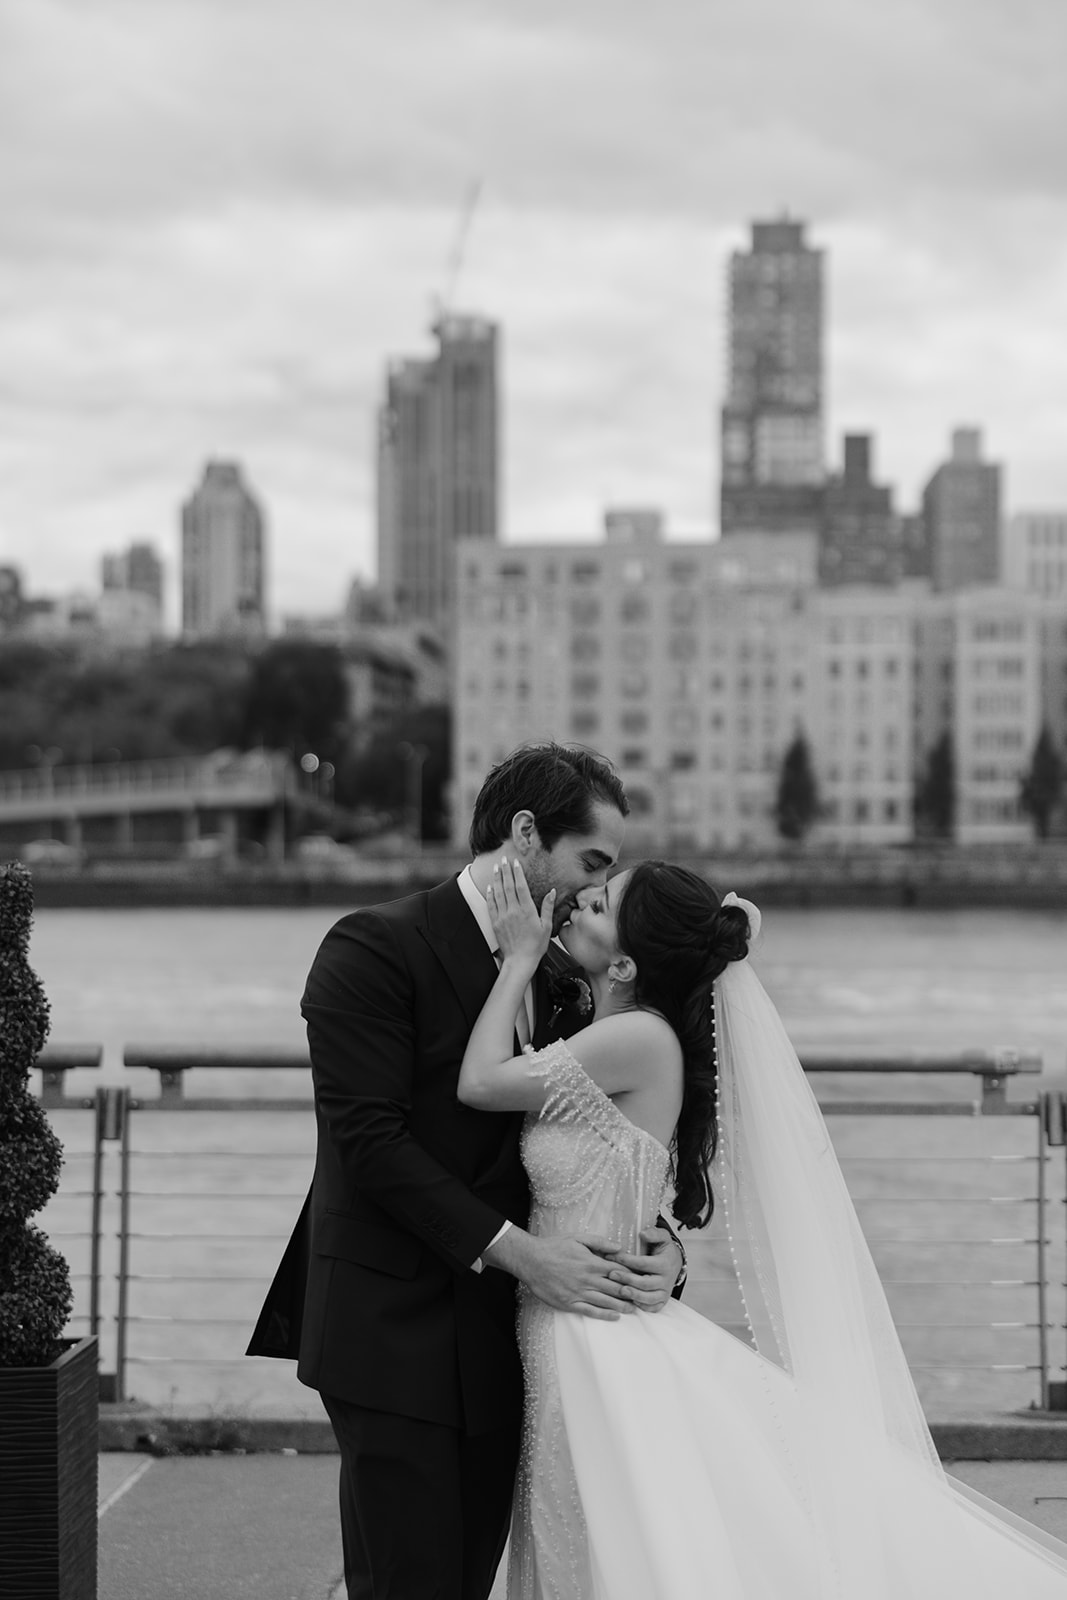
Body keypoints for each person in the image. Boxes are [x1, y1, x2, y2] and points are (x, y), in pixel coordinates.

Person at [458, 856, 1067, 1598]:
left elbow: (479, 1083)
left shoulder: (637, 1040)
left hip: (588, 1324)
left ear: (623, 962)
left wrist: (518, 956)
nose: (581, 900)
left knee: (594, 1539)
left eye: (598, 903)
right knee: (580, 1534)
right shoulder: (605, 1029)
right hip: (572, 1316)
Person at [247, 742, 684, 1600]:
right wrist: (524, 1254)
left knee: (472, 1582)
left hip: (510, 1342)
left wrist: (661, 1249)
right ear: (526, 834)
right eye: (591, 861)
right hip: (389, 1329)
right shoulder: (371, 948)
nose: (599, 892)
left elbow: (605, 1148)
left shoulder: (568, 982)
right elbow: (368, 1143)